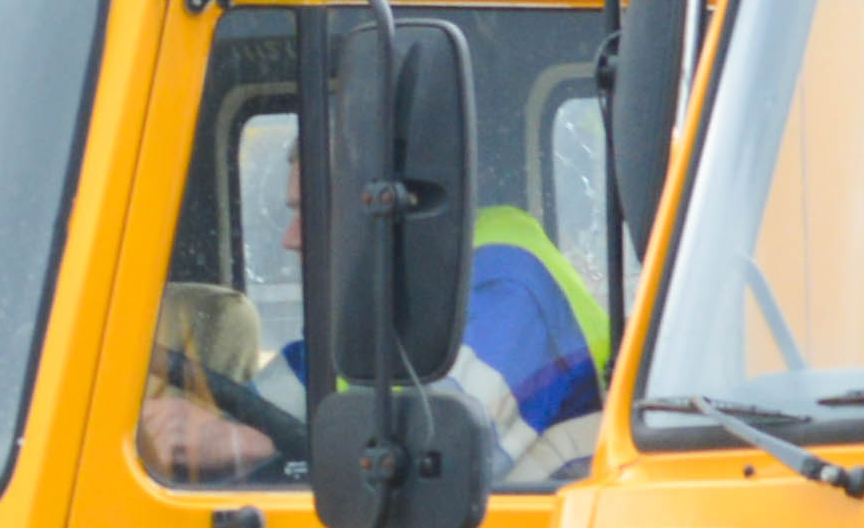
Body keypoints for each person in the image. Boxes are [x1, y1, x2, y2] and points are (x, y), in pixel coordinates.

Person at [141, 164, 611, 489]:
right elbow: (268, 406)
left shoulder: (507, 284)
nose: (290, 239)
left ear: (390, 204)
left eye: (311, 209)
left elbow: (430, 462)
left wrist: (233, 443)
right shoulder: (390, 303)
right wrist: (181, 432)